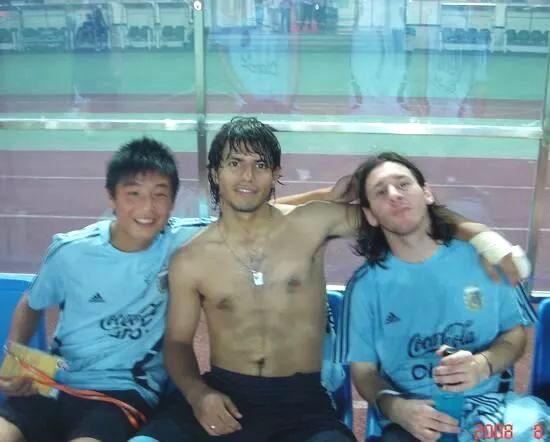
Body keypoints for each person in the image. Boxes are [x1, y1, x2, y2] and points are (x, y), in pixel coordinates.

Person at [133, 117, 528, 442]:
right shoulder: (192, 258)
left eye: (260, 164)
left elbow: (404, 214)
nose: (247, 175)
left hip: (301, 403)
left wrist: (483, 238)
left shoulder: (312, 223)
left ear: (276, 174)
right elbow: (178, 343)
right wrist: (198, 394)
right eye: (234, 163)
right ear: (215, 173)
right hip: (225, 393)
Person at [0, 138, 207, 442]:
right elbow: (31, 304)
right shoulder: (70, 250)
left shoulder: (182, 239)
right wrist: (16, 360)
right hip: (54, 381)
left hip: (122, 392)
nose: (147, 208)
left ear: (173, 202)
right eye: (133, 194)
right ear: (111, 197)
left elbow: (247, 218)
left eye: (159, 195)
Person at [338, 152, 547, 442]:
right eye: (380, 192)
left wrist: (482, 364)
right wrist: (396, 408)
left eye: (403, 184)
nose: (394, 195)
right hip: (414, 421)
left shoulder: (484, 260)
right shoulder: (364, 287)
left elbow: (515, 334)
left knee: (533, 432)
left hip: (494, 415)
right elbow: (363, 372)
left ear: (427, 193)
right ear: (371, 215)